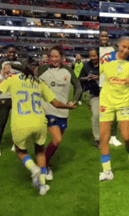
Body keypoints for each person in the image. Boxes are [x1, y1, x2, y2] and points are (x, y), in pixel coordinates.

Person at [0, 58, 76, 195]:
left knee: (20, 151)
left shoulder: (13, 79)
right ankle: (43, 185)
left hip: (21, 122)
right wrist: (68, 106)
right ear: (35, 69)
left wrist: (2, 78)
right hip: (40, 121)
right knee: (40, 150)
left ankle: (33, 169)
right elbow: (56, 104)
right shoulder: (40, 82)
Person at [99, 36, 129, 182]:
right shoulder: (106, 58)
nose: (126, 50)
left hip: (124, 101)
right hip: (106, 101)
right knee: (104, 138)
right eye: (123, 46)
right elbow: (96, 72)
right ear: (118, 45)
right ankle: (107, 171)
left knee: (126, 137)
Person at [38, 45, 82, 180]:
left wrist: (74, 100)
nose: (54, 59)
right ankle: (43, 167)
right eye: (52, 56)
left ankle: (44, 163)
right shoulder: (43, 69)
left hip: (64, 111)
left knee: (56, 142)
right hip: (48, 110)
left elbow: (78, 86)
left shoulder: (68, 70)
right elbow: (31, 82)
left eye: (56, 56)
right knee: (57, 140)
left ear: (62, 57)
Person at [0, 45, 24, 156]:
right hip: (4, 95)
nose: (11, 53)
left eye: (13, 52)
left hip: (17, 96)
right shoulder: (2, 63)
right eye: (9, 52)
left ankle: (16, 143)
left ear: (16, 52)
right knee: (2, 121)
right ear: (6, 52)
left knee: (16, 123)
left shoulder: (20, 64)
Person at [99, 30, 122, 147]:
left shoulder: (112, 49)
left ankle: (113, 137)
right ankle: (101, 136)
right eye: (102, 36)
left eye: (106, 36)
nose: (104, 38)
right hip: (98, 84)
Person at [80, 48, 100, 147]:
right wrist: (87, 78)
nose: (92, 58)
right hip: (94, 94)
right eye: (90, 56)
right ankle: (97, 139)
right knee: (96, 115)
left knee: (110, 117)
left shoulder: (104, 64)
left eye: (94, 56)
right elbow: (81, 78)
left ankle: (111, 136)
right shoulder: (86, 66)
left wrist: (98, 77)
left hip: (108, 94)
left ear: (98, 55)